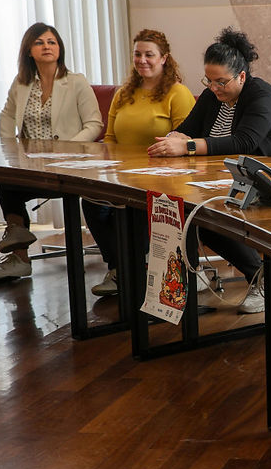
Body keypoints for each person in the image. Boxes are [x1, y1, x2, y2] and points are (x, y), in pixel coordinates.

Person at [147, 27, 271, 314]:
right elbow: (187, 129)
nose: (214, 88)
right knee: (185, 210)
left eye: (221, 82)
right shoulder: (212, 96)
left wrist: (187, 146)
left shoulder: (261, 94)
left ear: (242, 77)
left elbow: (244, 142)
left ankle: (263, 278)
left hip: (263, 183)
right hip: (217, 180)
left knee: (205, 216)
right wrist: (174, 138)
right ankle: (185, 277)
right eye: (209, 81)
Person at [82, 29, 195, 296]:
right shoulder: (124, 93)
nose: (142, 60)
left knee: (135, 211)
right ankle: (121, 269)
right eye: (137, 54)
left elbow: (185, 139)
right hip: (123, 175)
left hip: (163, 177)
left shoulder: (177, 93)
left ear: (164, 58)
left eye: (149, 55)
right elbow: (110, 138)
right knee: (91, 202)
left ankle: (129, 271)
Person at [0, 23, 102, 279]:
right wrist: (9, 149)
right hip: (30, 166)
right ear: (29, 51)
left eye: (52, 42)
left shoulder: (76, 82)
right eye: (39, 42)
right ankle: (18, 253)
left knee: (8, 185)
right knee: (4, 179)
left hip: (68, 166)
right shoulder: (21, 84)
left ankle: (18, 244)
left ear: (60, 48)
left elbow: (94, 125)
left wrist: (66, 151)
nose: (47, 47)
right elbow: (6, 115)